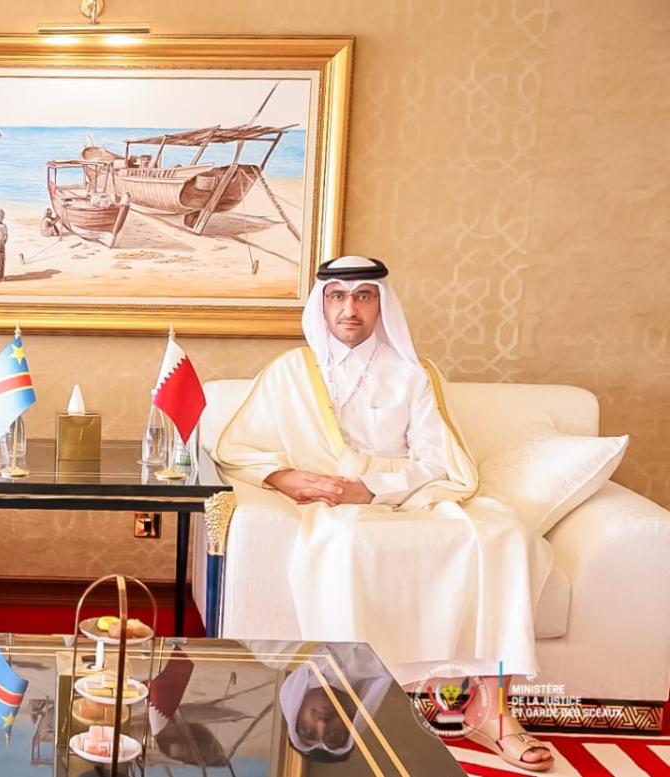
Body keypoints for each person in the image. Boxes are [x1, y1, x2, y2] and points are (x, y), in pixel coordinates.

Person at [212, 255, 554, 771]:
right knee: (349, 543)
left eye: (363, 296)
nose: (349, 309)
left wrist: (372, 489)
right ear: (321, 305)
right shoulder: (290, 373)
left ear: (381, 305)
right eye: (337, 296)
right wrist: (283, 477)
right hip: (332, 505)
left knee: (502, 532)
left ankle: (492, 711)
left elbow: (438, 463)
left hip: (408, 495)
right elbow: (237, 448)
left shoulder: (413, 374)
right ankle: (360, 694)